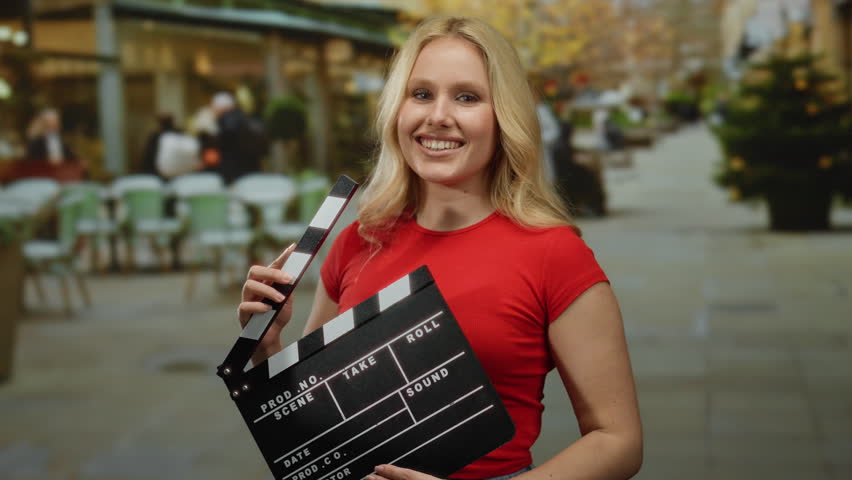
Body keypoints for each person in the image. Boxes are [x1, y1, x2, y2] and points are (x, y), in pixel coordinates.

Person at [238, 16, 642, 480]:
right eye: (421, 94)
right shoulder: (358, 240)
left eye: (466, 97)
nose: (437, 116)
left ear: (503, 116)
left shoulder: (554, 254)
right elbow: (319, 425)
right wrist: (267, 351)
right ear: (398, 110)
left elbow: (618, 441)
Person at [210, 91, 264, 184]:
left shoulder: (226, 121)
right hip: (252, 168)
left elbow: (224, 146)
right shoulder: (245, 117)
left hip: (233, 171)